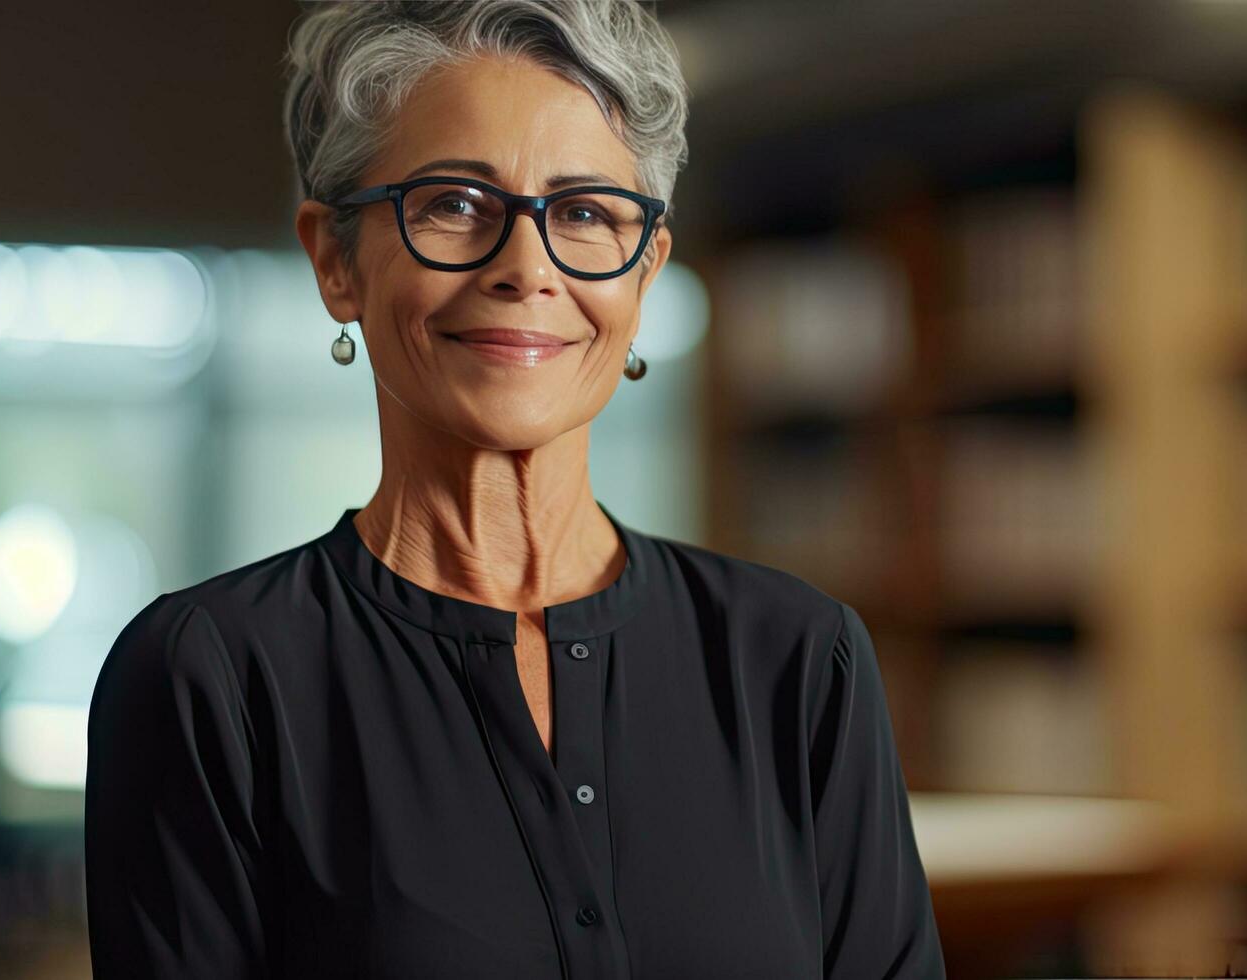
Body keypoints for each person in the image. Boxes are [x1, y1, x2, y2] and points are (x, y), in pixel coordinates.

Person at [82, 3, 945, 977]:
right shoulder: (209, 677)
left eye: (582, 212)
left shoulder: (797, 660)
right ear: (335, 259)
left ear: (644, 273)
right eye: (453, 202)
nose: (526, 267)